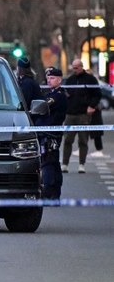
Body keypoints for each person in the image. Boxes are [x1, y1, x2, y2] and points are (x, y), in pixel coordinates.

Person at [62, 58, 102, 173]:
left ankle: (81, 164)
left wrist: (92, 106)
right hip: (70, 114)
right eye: (73, 68)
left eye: (76, 68)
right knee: (68, 140)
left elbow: (97, 94)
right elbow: (66, 93)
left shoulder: (90, 79)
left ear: (81, 67)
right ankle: (65, 164)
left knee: (83, 140)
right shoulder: (70, 80)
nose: (74, 70)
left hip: (83, 114)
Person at [34, 67, 68, 199]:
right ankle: (54, 194)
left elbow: (40, 107)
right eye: (48, 78)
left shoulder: (58, 96)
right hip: (46, 133)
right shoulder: (50, 94)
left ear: (59, 80)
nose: (49, 80)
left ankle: (49, 193)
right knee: (52, 162)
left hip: (50, 134)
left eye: (52, 78)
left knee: (48, 163)